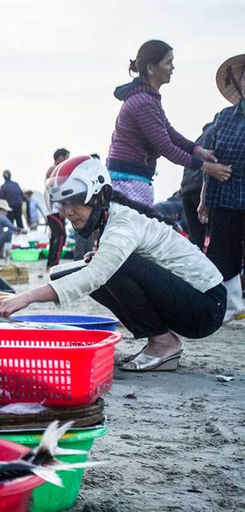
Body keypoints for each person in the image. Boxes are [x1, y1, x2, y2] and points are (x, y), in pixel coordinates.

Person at [0, 156, 225, 372]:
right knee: (67, 273)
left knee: (109, 269)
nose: (67, 212)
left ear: (98, 197)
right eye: (62, 204)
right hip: (192, 300)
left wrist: (25, 297)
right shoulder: (111, 218)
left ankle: (162, 342)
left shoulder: (121, 224)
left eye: (74, 202)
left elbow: (96, 275)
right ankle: (164, 338)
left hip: (206, 307)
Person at [106, 40, 231, 206]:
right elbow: (165, 147)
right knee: (137, 230)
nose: (173, 68)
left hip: (131, 176)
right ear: (151, 68)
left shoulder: (148, 98)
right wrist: (207, 168)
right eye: (168, 62)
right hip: (128, 179)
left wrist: (197, 150)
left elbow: (169, 133)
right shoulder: (144, 103)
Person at [199, 54, 245, 322]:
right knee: (221, 253)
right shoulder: (225, 117)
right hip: (224, 194)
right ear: (238, 83)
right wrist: (204, 198)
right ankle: (230, 306)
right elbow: (211, 158)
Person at [180, 118, 217, 250]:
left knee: (195, 241)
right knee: (216, 241)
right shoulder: (222, 131)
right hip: (203, 187)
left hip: (186, 188)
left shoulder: (201, 137)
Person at [45, 148, 70, 268]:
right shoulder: (53, 169)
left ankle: (51, 263)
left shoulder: (57, 169)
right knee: (60, 236)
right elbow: (54, 189)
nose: (67, 160)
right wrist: (61, 206)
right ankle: (54, 264)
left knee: (55, 237)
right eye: (66, 157)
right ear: (60, 157)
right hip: (54, 210)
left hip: (56, 209)